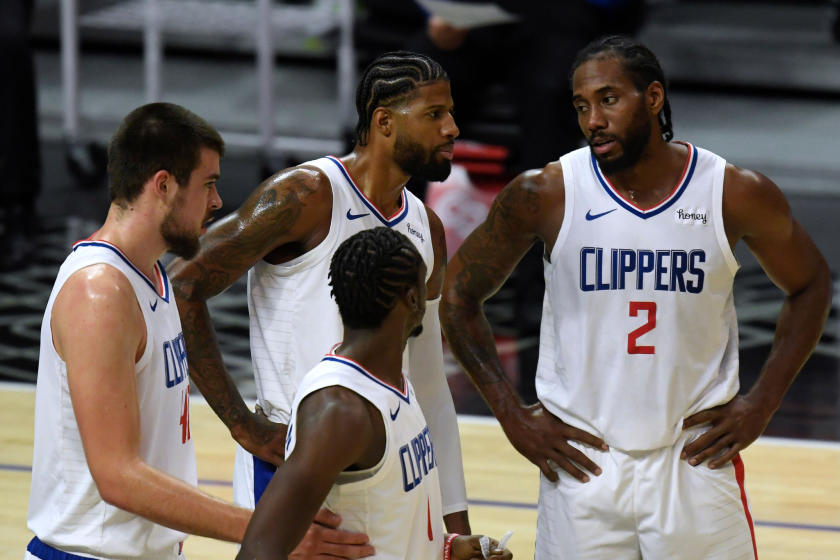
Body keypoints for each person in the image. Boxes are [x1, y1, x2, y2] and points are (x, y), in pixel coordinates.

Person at [440, 36, 832, 560]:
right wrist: (512, 415)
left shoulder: (732, 191)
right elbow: (458, 296)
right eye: (581, 106)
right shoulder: (546, 193)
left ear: (652, 97)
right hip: (583, 465)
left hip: (693, 462)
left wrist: (761, 404)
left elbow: (811, 285)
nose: (593, 120)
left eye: (609, 99)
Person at [25, 103, 356, 560]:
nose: (218, 201)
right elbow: (118, 475)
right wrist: (271, 529)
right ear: (163, 185)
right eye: (208, 184)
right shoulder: (98, 292)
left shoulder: (151, 277)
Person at [169, 51, 470, 535]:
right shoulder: (306, 195)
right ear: (384, 122)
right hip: (295, 460)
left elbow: (430, 384)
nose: (453, 128)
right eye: (435, 114)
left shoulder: (426, 227)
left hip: (389, 468)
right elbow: (182, 284)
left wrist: (455, 521)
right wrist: (241, 422)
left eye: (450, 113)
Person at [238, 227, 511, 560]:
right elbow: (259, 549)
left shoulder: (392, 381)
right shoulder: (340, 410)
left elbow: (385, 514)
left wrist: (446, 548)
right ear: (412, 297)